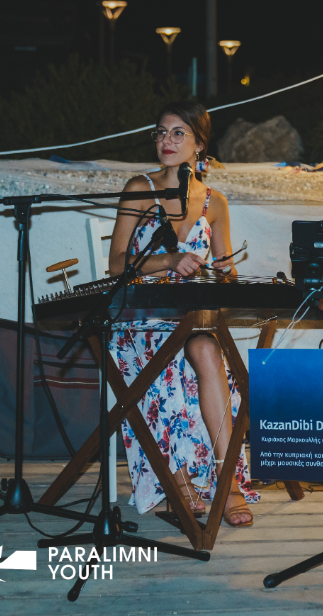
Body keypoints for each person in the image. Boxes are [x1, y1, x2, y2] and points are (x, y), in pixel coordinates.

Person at [108, 100, 257, 526]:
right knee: (174, 355)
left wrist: (220, 276)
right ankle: (181, 481)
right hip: (140, 320)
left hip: (190, 317)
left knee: (207, 350)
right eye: (160, 132)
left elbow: (226, 270)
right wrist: (169, 262)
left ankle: (227, 483)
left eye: (178, 133)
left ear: (200, 145)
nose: (166, 141)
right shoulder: (140, 189)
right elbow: (116, 264)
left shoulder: (215, 203)